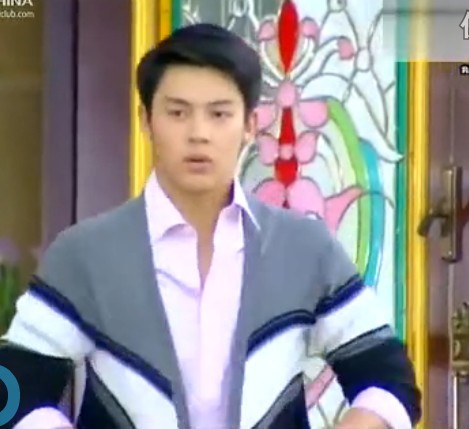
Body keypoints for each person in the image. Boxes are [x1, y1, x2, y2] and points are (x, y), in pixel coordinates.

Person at [2, 23, 420, 429]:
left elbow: (388, 378)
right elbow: (14, 391)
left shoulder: (303, 248)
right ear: (146, 120)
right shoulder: (86, 254)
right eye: (177, 113)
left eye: (219, 114)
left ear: (250, 125)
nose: (198, 133)